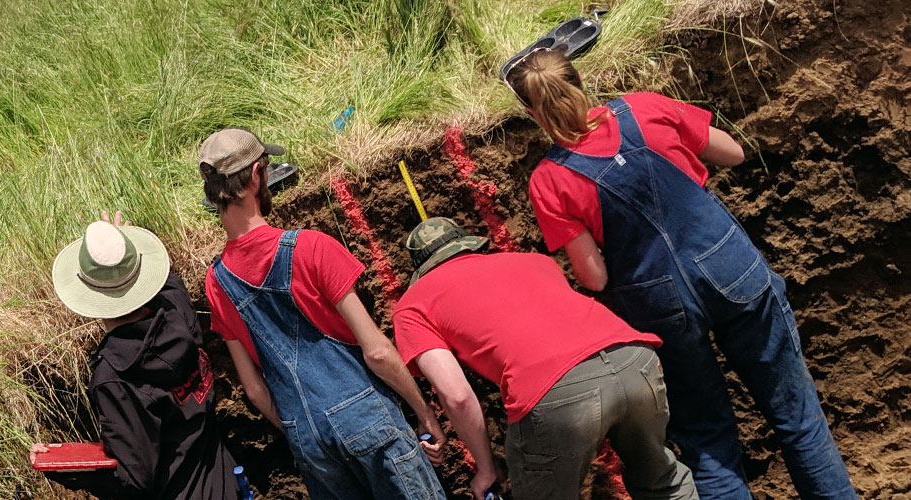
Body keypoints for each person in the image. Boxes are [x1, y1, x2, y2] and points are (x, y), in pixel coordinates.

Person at [511, 49, 856, 500]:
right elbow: (732, 153)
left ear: (528, 110)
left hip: (659, 304)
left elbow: (592, 277)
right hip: (731, 267)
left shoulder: (550, 179)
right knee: (798, 417)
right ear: (580, 78)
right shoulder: (643, 107)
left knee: (709, 443)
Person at [196, 128, 444, 499]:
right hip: (365, 414)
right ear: (257, 176)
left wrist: (301, 431)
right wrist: (424, 413)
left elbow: (254, 389)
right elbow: (376, 352)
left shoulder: (216, 282)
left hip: (307, 440)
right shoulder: (310, 248)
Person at [392, 217, 697, 500]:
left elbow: (457, 396)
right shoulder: (534, 261)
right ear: (468, 243)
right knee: (663, 481)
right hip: (634, 357)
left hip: (557, 390)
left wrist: (487, 469)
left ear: (421, 270)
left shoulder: (413, 305)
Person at [37, 212, 240, 499]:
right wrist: (123, 251)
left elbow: (135, 482)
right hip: (225, 484)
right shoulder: (177, 307)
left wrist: (71, 472)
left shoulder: (115, 377)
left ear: (89, 294)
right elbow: (166, 283)